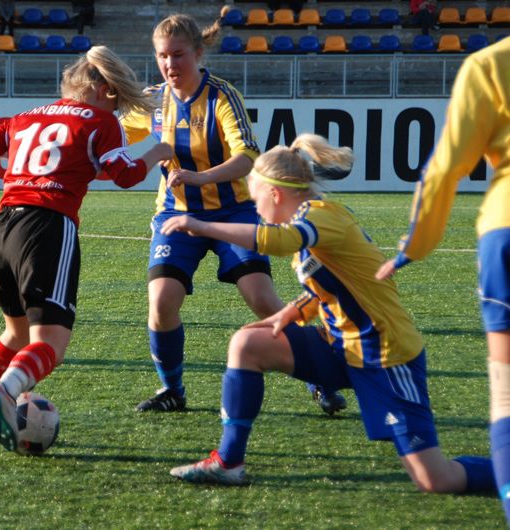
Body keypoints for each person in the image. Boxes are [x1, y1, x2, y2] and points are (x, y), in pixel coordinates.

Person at [162, 133, 496, 495]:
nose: (255, 208)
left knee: (436, 479)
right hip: (340, 346)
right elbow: (327, 286)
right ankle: (229, 463)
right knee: (247, 343)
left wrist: (200, 225)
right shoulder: (309, 220)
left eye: (255, 199)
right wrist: (290, 312)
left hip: (385, 355)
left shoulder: (320, 217)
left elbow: (278, 242)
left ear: (275, 194)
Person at [0, 45, 173, 452]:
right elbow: (124, 175)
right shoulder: (101, 121)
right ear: (102, 90)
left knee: (15, 333)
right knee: (50, 344)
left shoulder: (25, 117)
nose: (117, 108)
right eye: (117, 100)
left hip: (1, 227)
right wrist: (158, 152)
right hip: (46, 227)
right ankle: (6, 390)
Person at [120, 13, 345, 415]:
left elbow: (248, 157)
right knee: (162, 302)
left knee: (261, 299)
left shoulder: (222, 96)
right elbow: (112, 133)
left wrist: (200, 176)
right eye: (162, 56)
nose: (170, 64)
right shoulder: (153, 101)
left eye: (178, 54)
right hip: (177, 214)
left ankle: (318, 377)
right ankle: (172, 390)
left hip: (235, 212)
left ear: (198, 53)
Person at [376, 38, 510, 522]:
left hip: (506, 229)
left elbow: (446, 166)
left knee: (506, 395)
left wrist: (412, 248)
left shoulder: (490, 64)